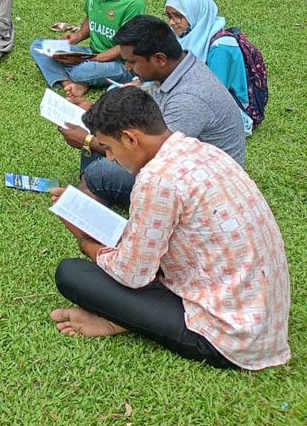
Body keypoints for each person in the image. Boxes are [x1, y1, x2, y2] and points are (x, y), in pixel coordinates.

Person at [49, 87, 290, 371]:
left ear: (129, 138)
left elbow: (132, 275)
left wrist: (84, 238)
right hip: (259, 315)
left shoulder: (156, 179)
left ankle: (121, 320)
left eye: (110, 148)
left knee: (71, 273)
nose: (110, 158)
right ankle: (124, 317)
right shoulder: (201, 150)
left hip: (228, 339)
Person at [56, 15, 246, 210]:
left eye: (132, 62)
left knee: (98, 170)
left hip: (207, 187)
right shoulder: (176, 69)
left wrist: (88, 142)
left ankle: (91, 190)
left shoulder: (189, 99)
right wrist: (93, 111)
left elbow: (158, 158)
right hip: (183, 164)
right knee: (102, 132)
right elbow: (141, 112)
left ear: (159, 59)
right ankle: (93, 189)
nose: (128, 68)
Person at [31, 0, 144, 99]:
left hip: (121, 64)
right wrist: (77, 37)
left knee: (82, 70)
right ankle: (71, 84)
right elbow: (91, 16)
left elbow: (128, 46)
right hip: (92, 53)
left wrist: (91, 59)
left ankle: (66, 72)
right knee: (38, 46)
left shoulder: (132, 3)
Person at [165, 0, 254, 135]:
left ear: (195, 12)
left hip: (225, 106)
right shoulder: (185, 36)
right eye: (168, 16)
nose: (172, 22)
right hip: (190, 96)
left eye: (178, 16)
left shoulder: (221, 47)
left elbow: (214, 94)